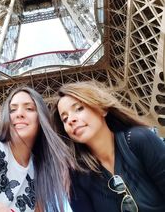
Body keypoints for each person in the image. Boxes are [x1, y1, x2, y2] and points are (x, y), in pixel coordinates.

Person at [51, 80, 165, 212]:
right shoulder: (76, 177)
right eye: (64, 119)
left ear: (102, 109)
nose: (71, 120)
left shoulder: (139, 140)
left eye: (79, 108)